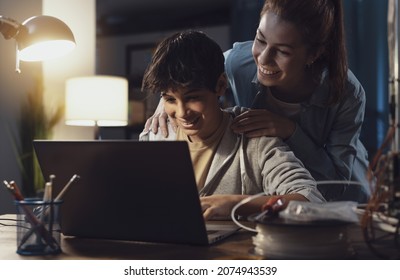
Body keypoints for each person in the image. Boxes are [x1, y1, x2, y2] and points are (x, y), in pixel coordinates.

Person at [142, 0, 372, 203]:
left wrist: (289, 130)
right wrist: (167, 101)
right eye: (260, 40)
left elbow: (334, 184)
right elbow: (192, 74)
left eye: (282, 51)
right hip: (273, 192)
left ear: (313, 54)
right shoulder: (236, 62)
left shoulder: (346, 93)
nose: (263, 59)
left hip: (342, 200)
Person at [140, 30, 325, 221]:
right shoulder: (155, 136)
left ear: (220, 85)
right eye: (170, 99)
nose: (181, 113)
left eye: (193, 98)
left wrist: (238, 205)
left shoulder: (255, 139)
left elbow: (310, 200)